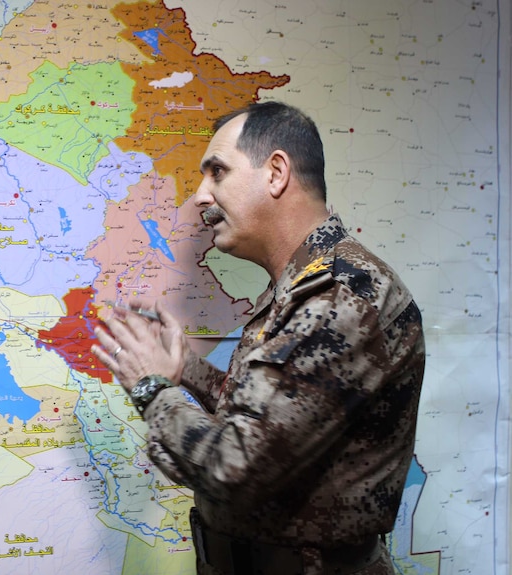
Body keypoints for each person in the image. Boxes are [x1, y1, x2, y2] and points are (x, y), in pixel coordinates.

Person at [92, 101, 425, 575]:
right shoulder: (301, 287)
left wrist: (152, 390)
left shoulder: (341, 295)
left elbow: (238, 464)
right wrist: (184, 369)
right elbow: (271, 418)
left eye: (218, 173)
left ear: (275, 173)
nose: (201, 197)